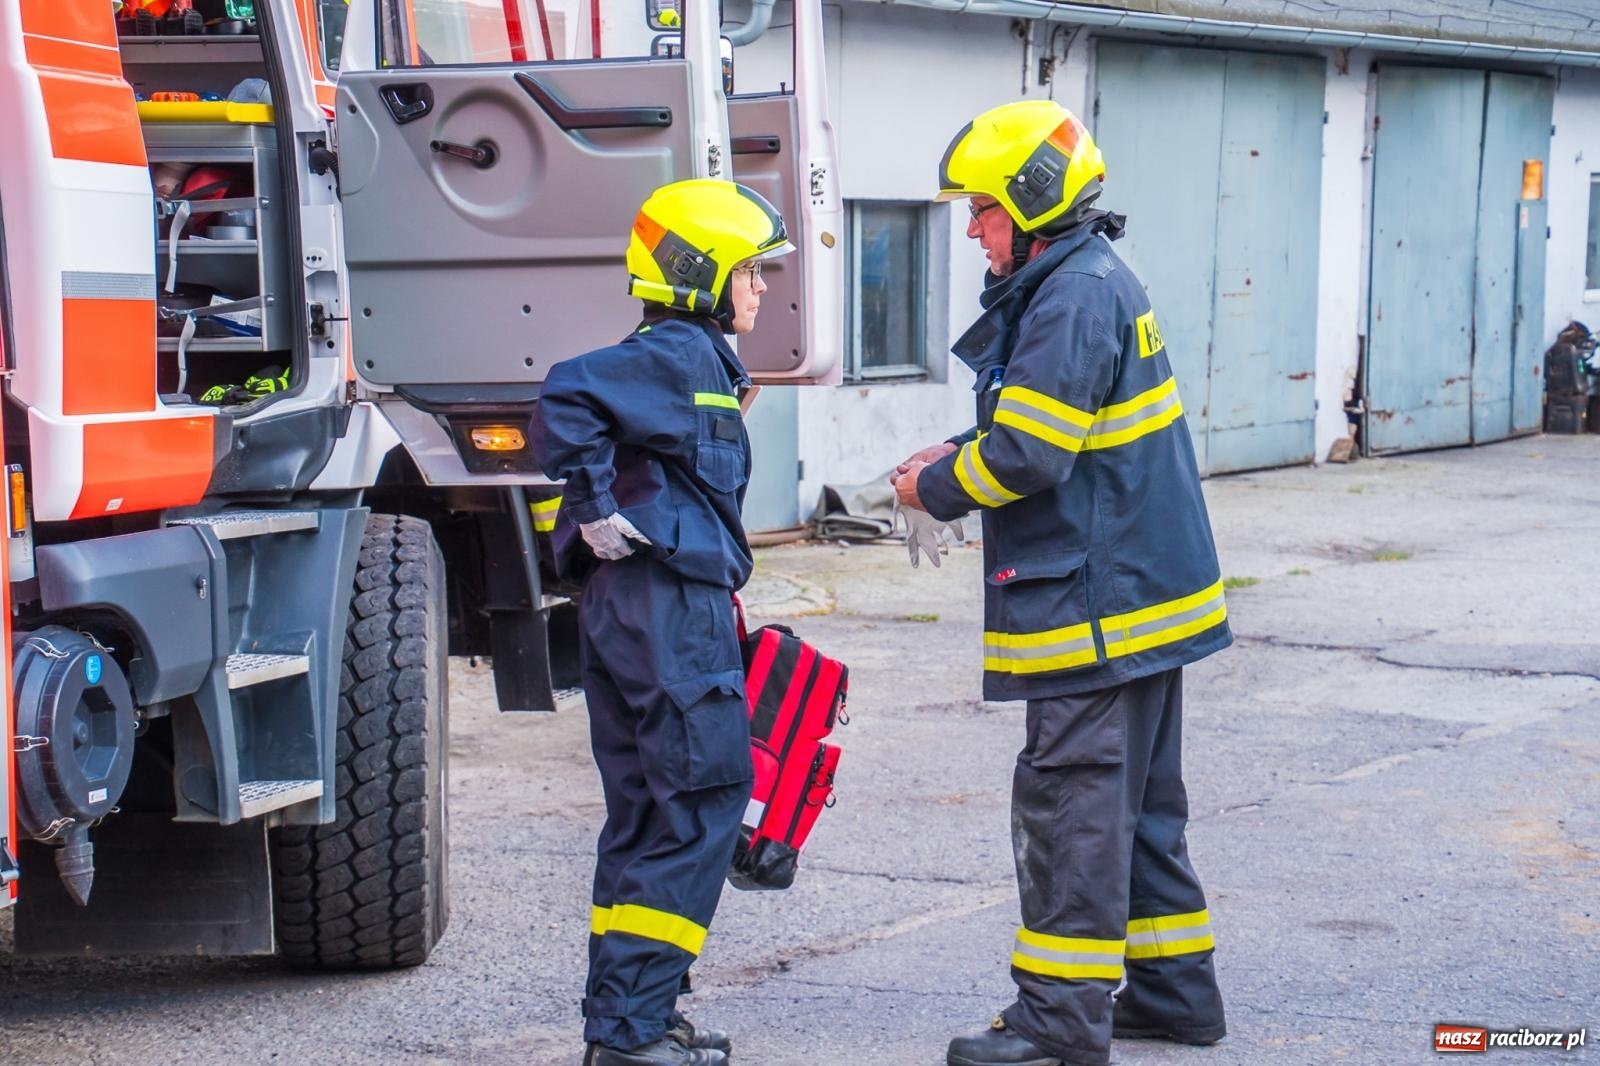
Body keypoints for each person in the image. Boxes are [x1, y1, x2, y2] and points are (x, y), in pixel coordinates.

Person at [890, 100, 1231, 1066]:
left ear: (1031, 203)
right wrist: (955, 452)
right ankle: (1171, 992)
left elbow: (1032, 454)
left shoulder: (1072, 296)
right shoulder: (1087, 279)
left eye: (982, 209)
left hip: (1098, 608)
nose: (970, 228)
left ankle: (1057, 1024)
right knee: (1139, 808)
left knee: (1074, 807)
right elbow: (1050, 425)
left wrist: (936, 487)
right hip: (1142, 600)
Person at [531, 178, 793, 1066]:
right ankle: (635, 1032)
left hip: (641, 608)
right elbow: (565, 398)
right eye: (751, 272)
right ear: (701, 273)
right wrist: (596, 503)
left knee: (647, 814)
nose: (761, 289)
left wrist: (611, 509)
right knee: (700, 806)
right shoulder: (679, 352)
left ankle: (632, 1021)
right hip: (663, 613)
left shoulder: (686, 360)